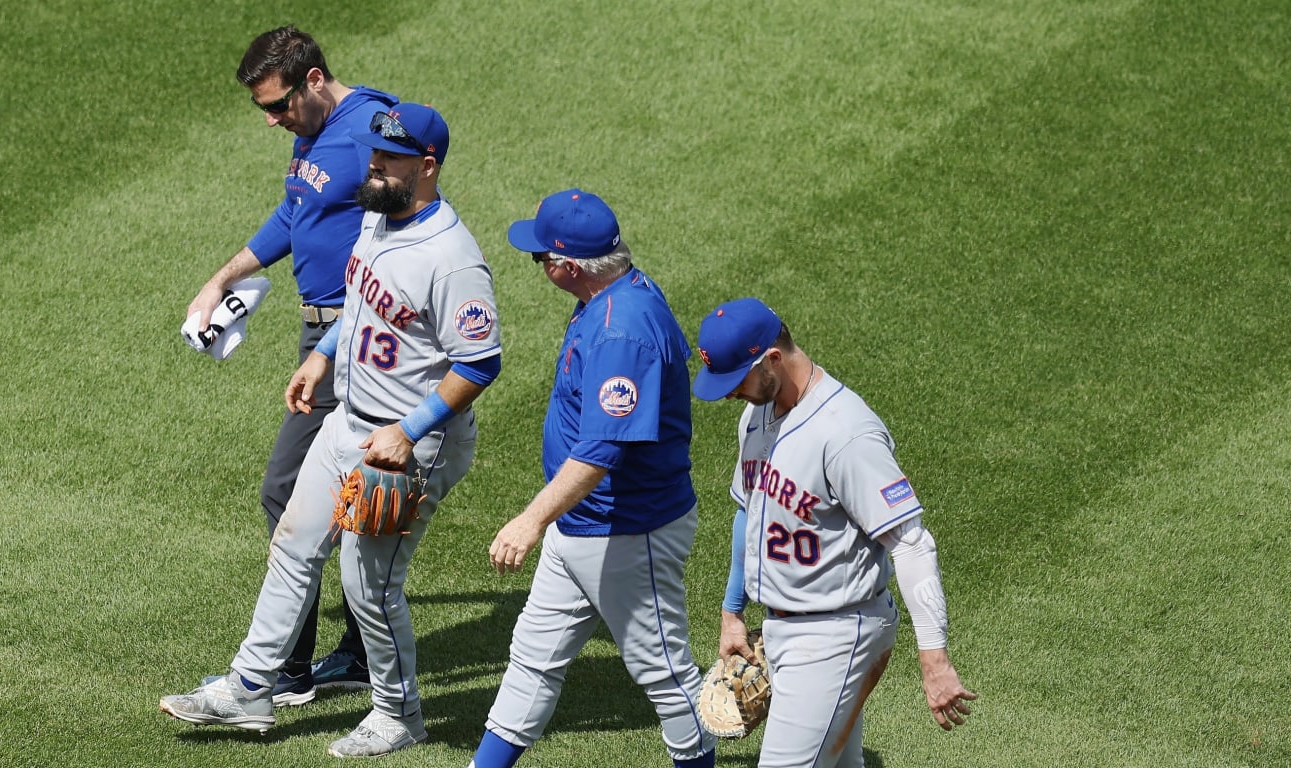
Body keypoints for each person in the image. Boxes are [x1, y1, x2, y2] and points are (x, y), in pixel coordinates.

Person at [162, 102, 503, 759]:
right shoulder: (378, 215)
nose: (374, 165)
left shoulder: (453, 258)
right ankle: (252, 686)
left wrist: (409, 429)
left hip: (407, 448)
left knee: (367, 584)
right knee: (294, 542)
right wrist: (322, 356)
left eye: (391, 158)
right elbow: (360, 299)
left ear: (427, 167)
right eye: (373, 153)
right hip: (347, 420)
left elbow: (480, 362)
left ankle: (398, 714)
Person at [467, 190, 716, 768]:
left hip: (629, 529)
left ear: (567, 267)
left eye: (540, 258)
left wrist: (532, 519)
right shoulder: (618, 292)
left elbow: (603, 451)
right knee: (533, 655)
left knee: (665, 672)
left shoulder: (620, 330)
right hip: (584, 522)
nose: (539, 266)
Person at [183, 25, 391, 704]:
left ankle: (287, 668)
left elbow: (416, 204)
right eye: (261, 111)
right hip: (321, 336)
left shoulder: (369, 129)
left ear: (313, 79)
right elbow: (296, 209)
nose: (273, 122)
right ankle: (360, 651)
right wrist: (222, 278)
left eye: (278, 107)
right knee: (357, 495)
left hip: (357, 342)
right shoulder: (314, 128)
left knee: (287, 490)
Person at [691, 298, 977, 768]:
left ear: (772, 360)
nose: (727, 396)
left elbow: (911, 543)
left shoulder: (846, 433)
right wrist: (732, 612)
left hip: (839, 633)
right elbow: (749, 511)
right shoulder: (756, 416)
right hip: (782, 628)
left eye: (735, 381)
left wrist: (935, 660)